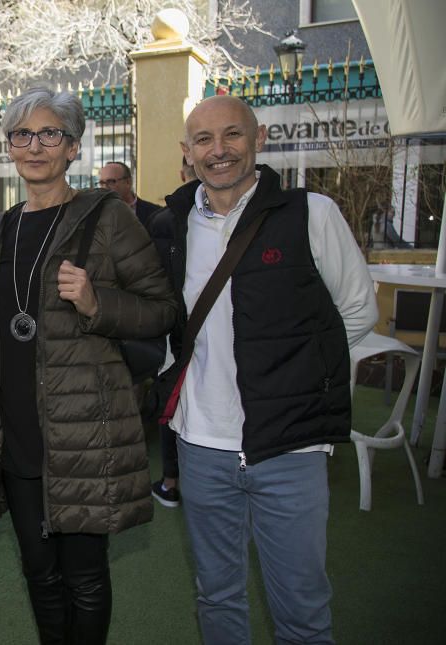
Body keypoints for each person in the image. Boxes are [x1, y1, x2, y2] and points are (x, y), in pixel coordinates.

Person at [148, 95, 378, 644]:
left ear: (259, 140)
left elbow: (358, 310)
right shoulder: (170, 224)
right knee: (217, 597)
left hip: (290, 448)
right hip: (201, 447)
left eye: (232, 135)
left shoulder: (310, 213)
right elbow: (165, 323)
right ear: (187, 153)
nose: (219, 150)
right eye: (203, 140)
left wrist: (303, 378)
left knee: (301, 606)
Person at [0, 88, 177, 644]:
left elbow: (162, 310)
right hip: (15, 431)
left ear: (73, 148)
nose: (35, 146)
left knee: (84, 577)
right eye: (22, 135)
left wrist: (96, 304)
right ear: (9, 147)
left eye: (50, 134)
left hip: (84, 432)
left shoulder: (108, 219)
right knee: (40, 573)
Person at [147, 154, 200, 510]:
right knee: (175, 409)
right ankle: (174, 481)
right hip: (177, 336)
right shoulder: (165, 219)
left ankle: (172, 481)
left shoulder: (163, 218)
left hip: (177, 336)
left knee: (173, 407)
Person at [98, 161, 159, 228]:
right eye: (102, 183)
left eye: (111, 182)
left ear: (128, 182)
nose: (105, 187)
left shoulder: (155, 214)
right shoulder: (95, 214)